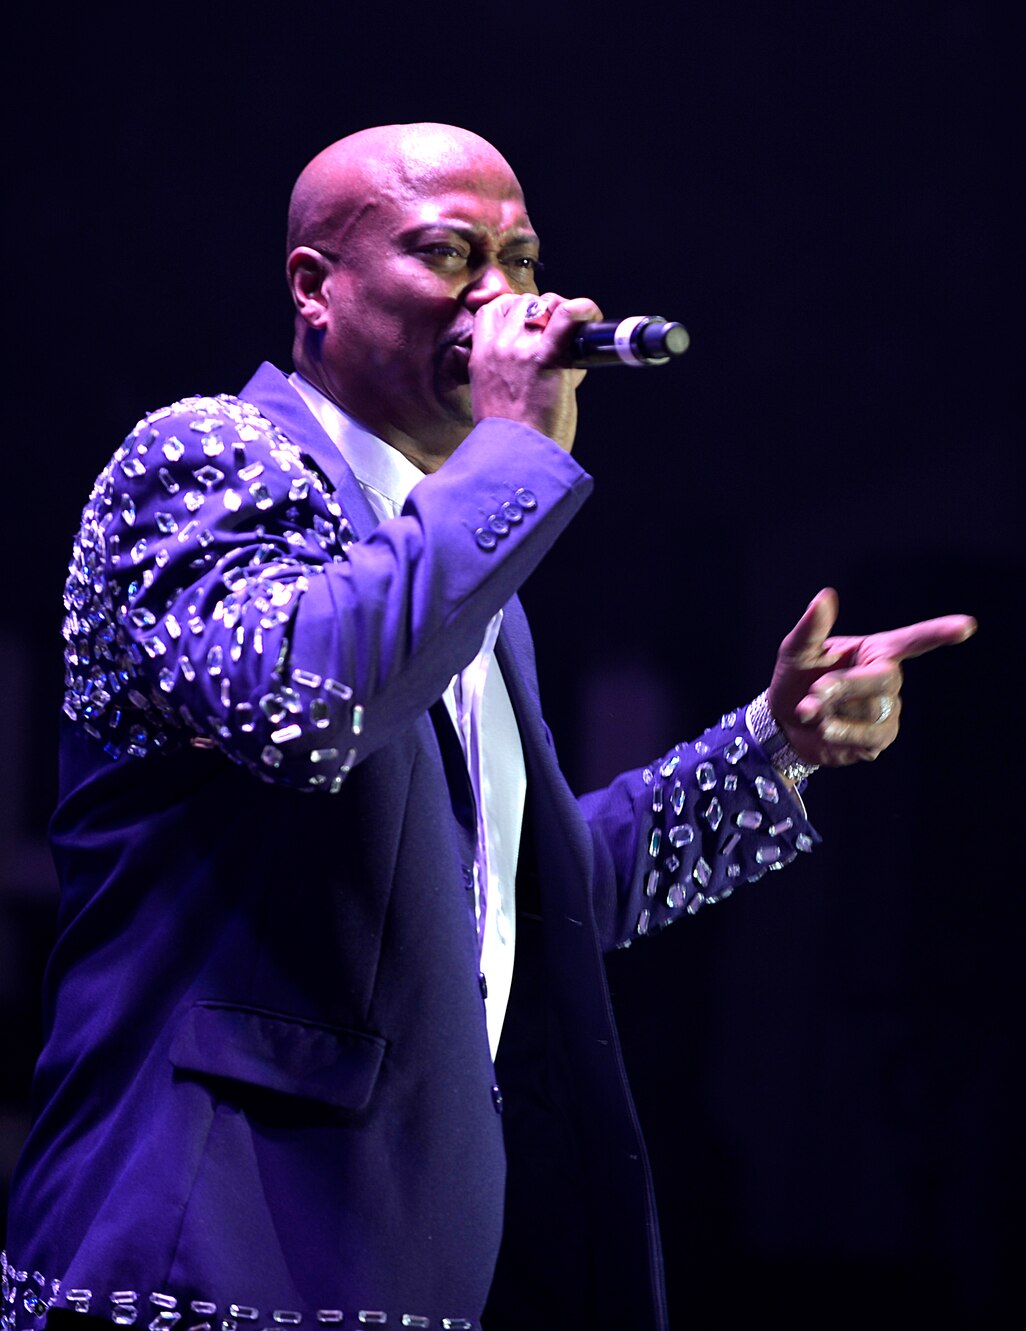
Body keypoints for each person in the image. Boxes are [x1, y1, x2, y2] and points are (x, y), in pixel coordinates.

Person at [0, 122, 976, 1330]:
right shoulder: (206, 457)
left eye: (519, 255)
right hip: (200, 1249)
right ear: (316, 286)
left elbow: (527, 894)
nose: (503, 295)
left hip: (400, 1259)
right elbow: (309, 709)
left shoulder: (455, 566)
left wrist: (775, 743)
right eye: (448, 252)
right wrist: (512, 455)